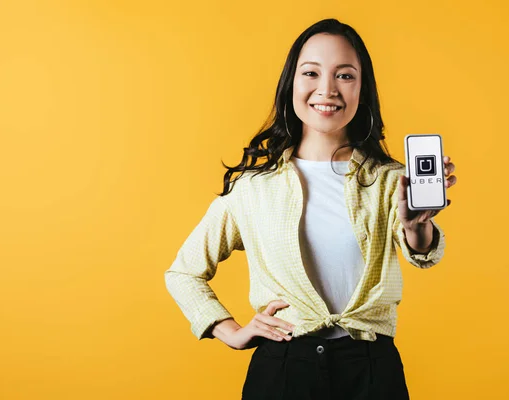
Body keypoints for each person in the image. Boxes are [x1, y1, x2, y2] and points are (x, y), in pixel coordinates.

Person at [165, 18, 457, 400]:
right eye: (311, 73)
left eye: (345, 76)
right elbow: (183, 273)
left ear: (362, 89)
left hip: (371, 369)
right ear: (292, 85)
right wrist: (229, 331)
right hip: (283, 368)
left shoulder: (390, 180)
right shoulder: (254, 188)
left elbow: (420, 252)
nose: (327, 89)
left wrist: (417, 224)